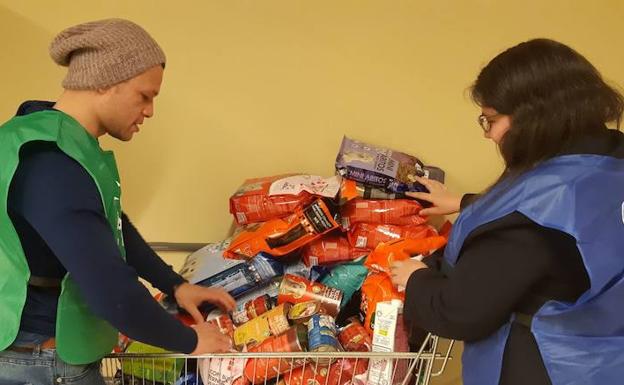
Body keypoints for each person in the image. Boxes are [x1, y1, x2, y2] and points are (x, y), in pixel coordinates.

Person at [0, 19, 236, 385]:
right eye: (145, 95)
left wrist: (175, 284)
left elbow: (110, 224)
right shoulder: (51, 161)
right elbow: (110, 290)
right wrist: (190, 341)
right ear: (104, 81)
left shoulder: (57, 139)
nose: (150, 111)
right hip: (41, 362)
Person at [390, 38, 624, 385]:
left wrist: (415, 280)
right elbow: (575, 222)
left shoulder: (528, 226)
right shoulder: (610, 158)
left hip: (547, 369)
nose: (488, 135)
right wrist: (463, 203)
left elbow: (461, 313)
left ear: (533, 119)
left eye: (491, 120)